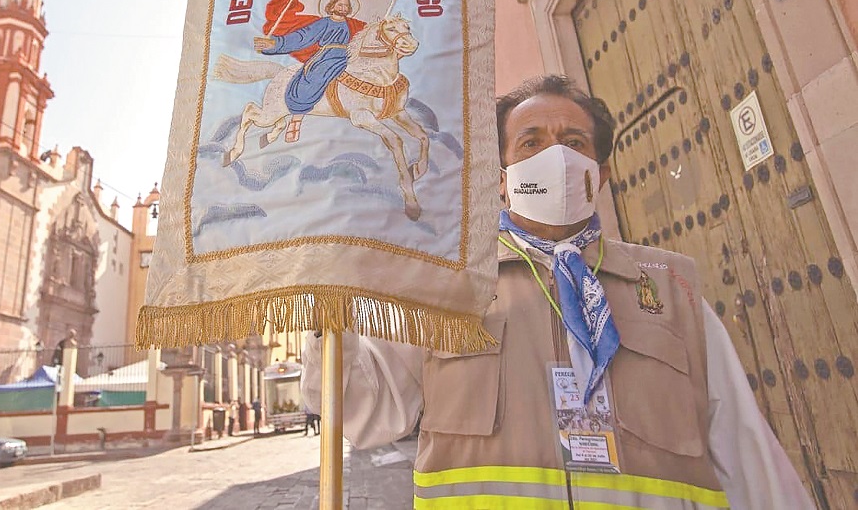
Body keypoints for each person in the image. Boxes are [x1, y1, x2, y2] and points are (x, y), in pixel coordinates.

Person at [302, 75, 815, 509]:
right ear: (500, 179)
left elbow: (746, 451)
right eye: (531, 143)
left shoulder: (670, 289)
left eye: (574, 143)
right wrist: (324, 293)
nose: (557, 158)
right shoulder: (444, 286)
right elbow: (368, 410)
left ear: (601, 172)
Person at [253, 0, 363, 143]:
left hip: (349, 56)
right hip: (327, 58)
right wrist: (274, 44)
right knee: (314, 79)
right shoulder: (324, 22)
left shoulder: (353, 24)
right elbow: (302, 37)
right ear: (331, 6)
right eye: (340, 5)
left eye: (346, 5)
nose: (343, 8)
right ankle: (297, 118)